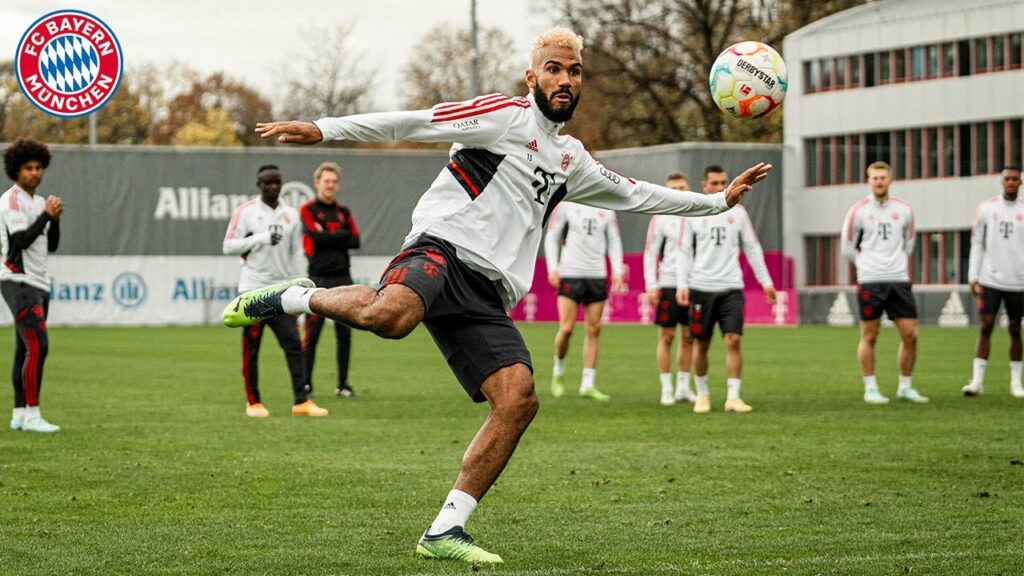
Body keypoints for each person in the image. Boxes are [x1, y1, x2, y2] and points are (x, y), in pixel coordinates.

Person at [228, 27, 772, 564]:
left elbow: (635, 194)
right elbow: (416, 122)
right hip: (442, 248)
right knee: (391, 317)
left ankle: (445, 529)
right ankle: (299, 298)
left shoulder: (572, 159)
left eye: (574, 71)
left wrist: (718, 202)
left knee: (518, 399)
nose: (564, 79)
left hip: (486, 292)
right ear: (531, 76)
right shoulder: (502, 117)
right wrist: (324, 129)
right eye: (553, 69)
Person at [222, 164, 328, 418]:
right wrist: (260, 238)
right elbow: (228, 246)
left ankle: (301, 400)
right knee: (252, 348)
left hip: (281, 292)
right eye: (267, 182)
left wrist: (300, 284)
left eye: (277, 182)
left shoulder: (291, 215)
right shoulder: (245, 212)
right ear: (259, 185)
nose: (273, 186)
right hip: (253, 292)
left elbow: (296, 253)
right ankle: (253, 402)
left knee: (294, 345)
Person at [676, 165, 775, 414]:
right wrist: (682, 284)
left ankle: (733, 396)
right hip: (701, 286)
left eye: (724, 182)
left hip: (731, 286)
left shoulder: (738, 213)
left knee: (733, 339)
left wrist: (766, 281)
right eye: (715, 183)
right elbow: (684, 251)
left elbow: (752, 247)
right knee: (702, 343)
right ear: (704, 185)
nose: (721, 187)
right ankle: (703, 394)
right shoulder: (694, 212)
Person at [840, 161, 928, 405]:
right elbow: (847, 247)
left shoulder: (905, 209)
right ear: (868, 181)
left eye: (883, 177)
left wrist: (894, 263)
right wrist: (867, 265)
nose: (879, 181)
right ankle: (871, 388)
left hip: (899, 279)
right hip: (870, 281)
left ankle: (905, 387)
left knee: (911, 335)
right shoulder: (858, 210)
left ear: (890, 179)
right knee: (870, 335)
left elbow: (909, 243)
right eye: (874, 177)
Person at [1, 139, 63, 433]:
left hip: (39, 281)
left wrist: (55, 219)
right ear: (16, 170)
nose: (34, 173)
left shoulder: (39, 203)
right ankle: (33, 413)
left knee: (23, 348)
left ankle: (18, 414)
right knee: (39, 344)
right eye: (28, 168)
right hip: (17, 279)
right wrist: (46, 216)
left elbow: (50, 244)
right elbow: (19, 241)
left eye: (38, 167)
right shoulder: (10, 200)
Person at [544, 201, 623, 401]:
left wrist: (617, 270)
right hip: (570, 272)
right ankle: (558, 370)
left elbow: (614, 240)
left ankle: (588, 383)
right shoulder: (566, 204)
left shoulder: (607, 207)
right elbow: (552, 236)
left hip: (597, 274)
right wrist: (552, 268)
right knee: (567, 328)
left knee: (594, 329)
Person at [299, 162, 361, 398]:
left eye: (334, 182)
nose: (330, 185)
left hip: (343, 278)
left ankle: (343, 384)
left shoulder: (344, 211)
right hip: (318, 279)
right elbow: (314, 236)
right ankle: (306, 384)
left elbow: (355, 240)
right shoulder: (308, 209)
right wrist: (338, 236)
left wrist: (326, 234)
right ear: (317, 183)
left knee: (344, 334)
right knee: (312, 334)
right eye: (326, 181)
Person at [962, 165, 1023, 398]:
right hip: (990, 278)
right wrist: (973, 276)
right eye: (1007, 178)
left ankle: (1016, 383)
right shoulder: (986, 208)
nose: (1010, 182)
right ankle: (977, 381)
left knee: (1016, 329)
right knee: (986, 325)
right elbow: (977, 242)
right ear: (1001, 181)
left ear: (1020, 183)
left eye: (1014, 179)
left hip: (1018, 281)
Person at [643, 172, 698, 406]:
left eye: (682, 187)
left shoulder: (698, 215)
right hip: (667, 282)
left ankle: (684, 387)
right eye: (673, 188)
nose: (678, 191)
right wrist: (651, 285)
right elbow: (651, 252)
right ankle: (666, 388)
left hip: (696, 282)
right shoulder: (660, 217)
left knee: (689, 337)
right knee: (667, 335)